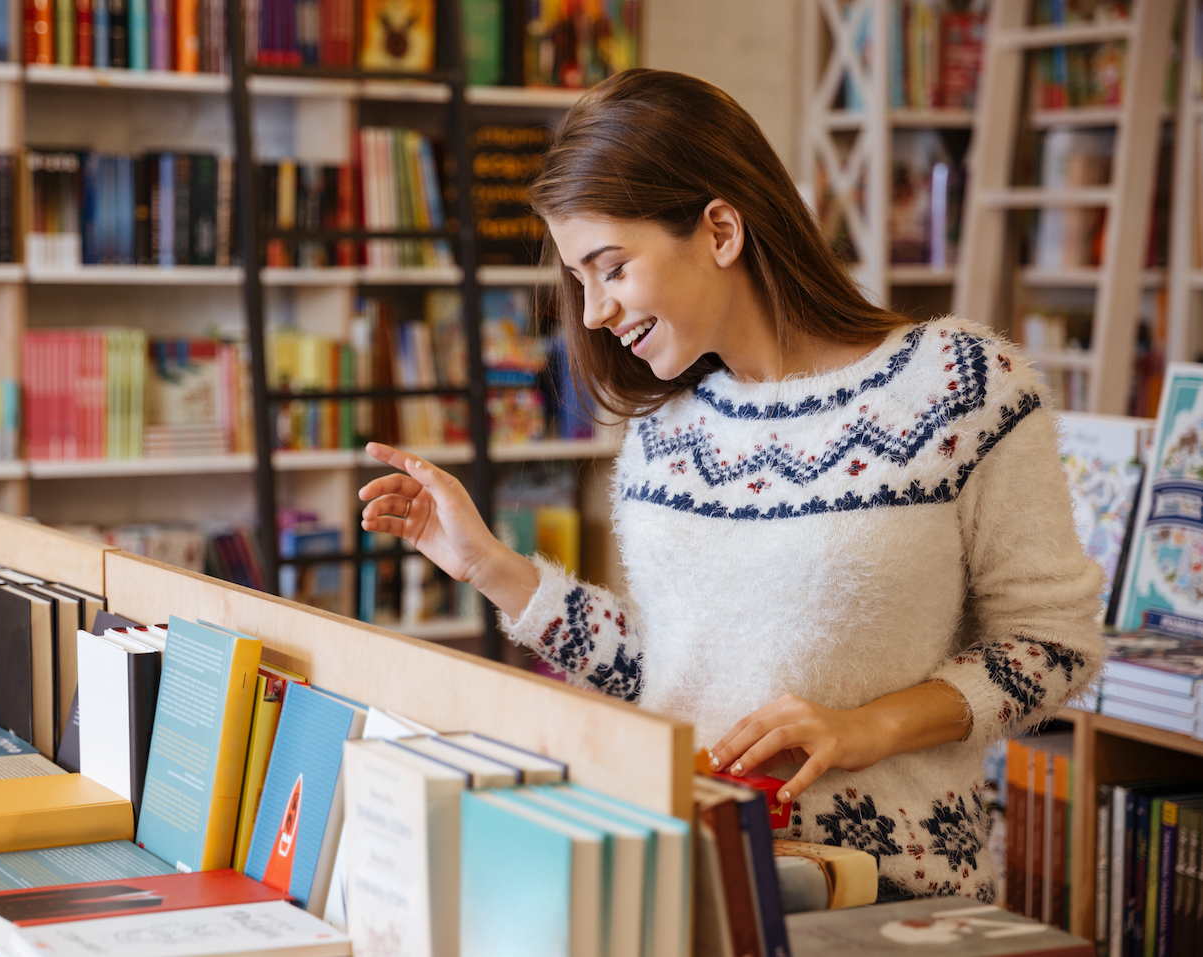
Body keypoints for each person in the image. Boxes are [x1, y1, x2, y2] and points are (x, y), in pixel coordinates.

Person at [357, 68, 1102, 903]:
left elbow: (1055, 642)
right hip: (697, 875)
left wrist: (869, 727)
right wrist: (486, 563)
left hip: (891, 896)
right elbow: (666, 671)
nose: (594, 311)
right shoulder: (664, 433)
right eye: (578, 279)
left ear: (719, 229)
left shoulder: (963, 384)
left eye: (610, 267)